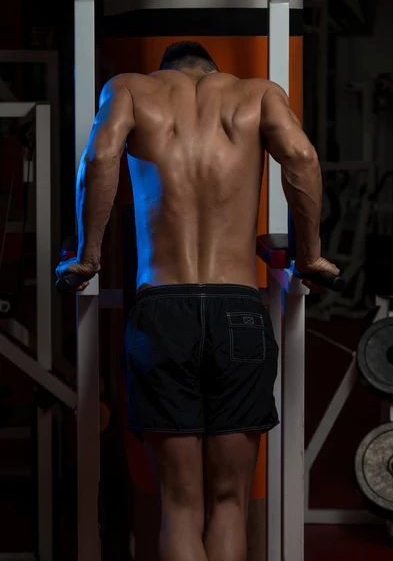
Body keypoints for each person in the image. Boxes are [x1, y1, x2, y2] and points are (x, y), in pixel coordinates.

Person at [56, 41, 339, 561]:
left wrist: (89, 257)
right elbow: (301, 155)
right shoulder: (257, 94)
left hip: (163, 308)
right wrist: (311, 256)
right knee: (229, 502)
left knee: (179, 507)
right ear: (211, 69)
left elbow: (99, 156)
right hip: (237, 305)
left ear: (166, 71)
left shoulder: (129, 89)